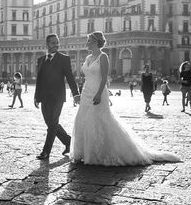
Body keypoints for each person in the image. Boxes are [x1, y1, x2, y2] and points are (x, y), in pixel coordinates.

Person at [71, 32, 180, 166]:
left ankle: (99, 152)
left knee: (99, 120)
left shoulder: (103, 56)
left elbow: (104, 77)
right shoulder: (88, 57)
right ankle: (83, 152)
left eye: (89, 41)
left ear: (95, 42)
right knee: (83, 119)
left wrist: (99, 94)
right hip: (86, 91)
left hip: (98, 91)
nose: (86, 43)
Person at [34, 34, 80, 160]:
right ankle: (69, 142)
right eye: (53, 43)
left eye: (57, 42)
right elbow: (39, 80)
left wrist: (76, 93)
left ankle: (46, 151)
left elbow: (70, 77)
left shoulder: (64, 59)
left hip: (57, 97)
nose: (56, 45)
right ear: (47, 44)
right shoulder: (41, 59)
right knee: (51, 124)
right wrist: (36, 96)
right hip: (44, 97)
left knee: (53, 123)